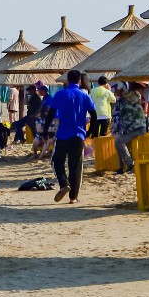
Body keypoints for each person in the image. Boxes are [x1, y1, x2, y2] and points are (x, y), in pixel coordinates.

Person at [44, 69, 95, 203]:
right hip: (78, 135)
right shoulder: (84, 96)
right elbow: (94, 114)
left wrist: (45, 131)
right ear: (79, 81)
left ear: (67, 80)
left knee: (56, 160)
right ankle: (73, 197)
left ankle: (63, 183)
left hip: (62, 135)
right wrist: (90, 132)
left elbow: (50, 114)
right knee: (76, 166)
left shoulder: (60, 94)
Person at [112, 83, 148, 173]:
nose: (113, 91)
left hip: (137, 127)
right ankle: (122, 167)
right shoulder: (123, 100)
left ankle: (130, 164)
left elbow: (136, 96)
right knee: (118, 141)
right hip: (132, 128)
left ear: (120, 89)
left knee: (118, 141)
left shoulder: (130, 97)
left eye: (115, 89)